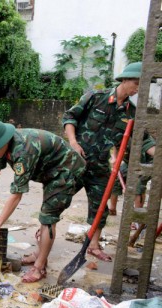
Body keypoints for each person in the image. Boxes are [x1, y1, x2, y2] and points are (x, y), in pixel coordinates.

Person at [0, 120, 86, 283]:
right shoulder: (2, 146)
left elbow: (16, 195)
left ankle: (39, 267)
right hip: (50, 170)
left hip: (66, 171)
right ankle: (40, 253)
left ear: (3, 142)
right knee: (45, 217)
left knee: (48, 218)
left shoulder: (23, 152)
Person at [63, 61, 155, 261]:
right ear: (125, 80)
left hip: (100, 167)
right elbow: (70, 117)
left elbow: (146, 140)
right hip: (77, 161)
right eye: (137, 84)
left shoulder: (132, 112)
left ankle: (94, 245)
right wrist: (72, 142)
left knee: (100, 208)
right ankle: (42, 240)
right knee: (57, 199)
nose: (138, 89)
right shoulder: (96, 97)